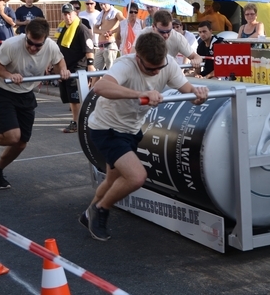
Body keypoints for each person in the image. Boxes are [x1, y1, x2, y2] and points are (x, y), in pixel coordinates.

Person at [79, 31, 209, 240]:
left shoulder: (168, 64)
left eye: (160, 67)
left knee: (113, 180)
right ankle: (101, 209)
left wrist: (199, 94)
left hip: (131, 130)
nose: (156, 72)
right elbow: (100, 87)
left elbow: (190, 93)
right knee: (136, 177)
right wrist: (140, 94)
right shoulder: (126, 64)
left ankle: (88, 214)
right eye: (150, 68)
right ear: (138, 57)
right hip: (106, 128)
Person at [0, 18, 70, 189]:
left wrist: (63, 71)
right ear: (26, 35)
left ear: (45, 40)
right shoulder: (12, 45)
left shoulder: (51, 46)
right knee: (13, 136)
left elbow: (59, 61)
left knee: (21, 143)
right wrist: (10, 75)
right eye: (30, 43)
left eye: (38, 45)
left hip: (26, 94)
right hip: (3, 92)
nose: (33, 48)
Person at [55, 4, 94, 133]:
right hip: (65, 66)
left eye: (69, 14)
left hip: (78, 68)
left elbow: (89, 48)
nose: (67, 16)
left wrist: (90, 65)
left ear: (75, 13)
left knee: (75, 97)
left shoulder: (82, 29)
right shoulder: (63, 28)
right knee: (70, 98)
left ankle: (77, 123)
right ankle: (80, 120)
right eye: (65, 14)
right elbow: (58, 47)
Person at [93, 2, 125, 71]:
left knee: (110, 70)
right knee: (96, 70)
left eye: (104, 4)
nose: (103, 6)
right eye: (101, 4)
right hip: (100, 45)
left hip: (110, 44)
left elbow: (124, 23)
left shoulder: (116, 12)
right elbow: (95, 29)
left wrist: (112, 31)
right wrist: (102, 32)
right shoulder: (101, 14)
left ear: (109, 3)